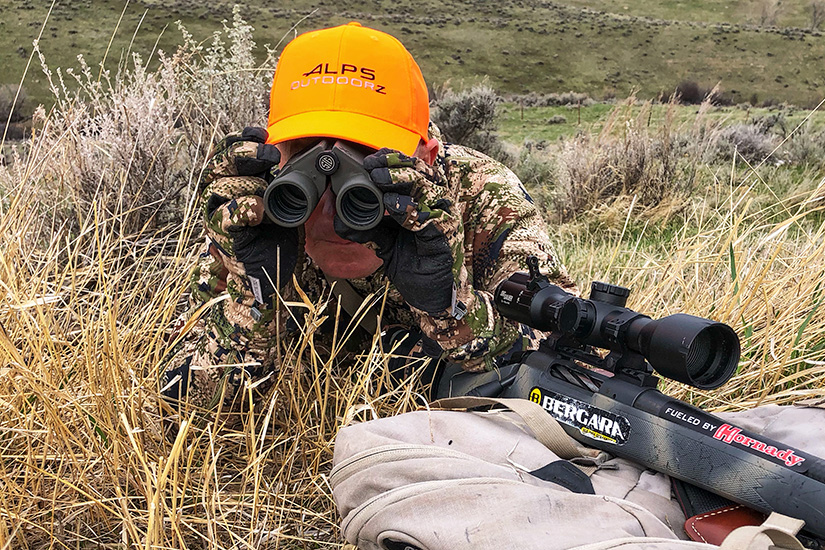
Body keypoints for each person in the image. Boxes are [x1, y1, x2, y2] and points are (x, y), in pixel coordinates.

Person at [160, 22, 575, 410]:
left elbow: (571, 361)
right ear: (274, 160)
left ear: (426, 158)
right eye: (304, 172)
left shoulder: (483, 195)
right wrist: (252, 295)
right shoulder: (254, 211)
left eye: (368, 173)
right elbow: (179, 404)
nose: (331, 210)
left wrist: (451, 305)